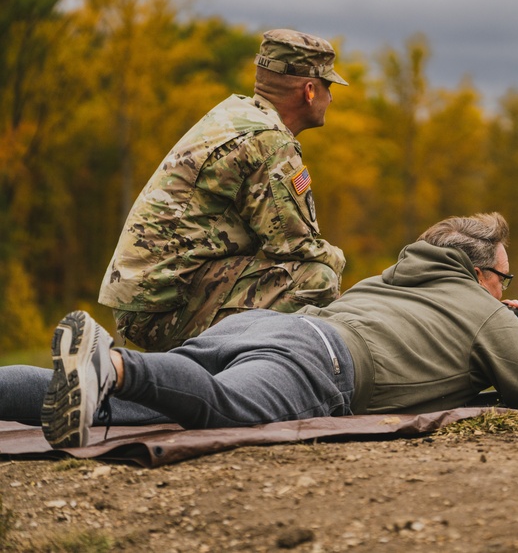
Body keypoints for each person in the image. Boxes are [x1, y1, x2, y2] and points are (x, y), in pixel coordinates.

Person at [5, 213, 518, 449]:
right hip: (320, 362)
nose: (508, 288)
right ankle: (115, 362)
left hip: (267, 327)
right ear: (480, 274)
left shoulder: (390, 280)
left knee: (126, 409)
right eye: (505, 276)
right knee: (225, 405)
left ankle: (84, 377)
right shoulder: (483, 310)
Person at [99, 29, 349, 352]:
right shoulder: (269, 140)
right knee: (318, 280)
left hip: (150, 298)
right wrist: (340, 261)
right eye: (329, 86)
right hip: (163, 308)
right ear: (310, 91)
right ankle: (237, 378)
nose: (332, 97)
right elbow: (296, 248)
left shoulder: (235, 115)